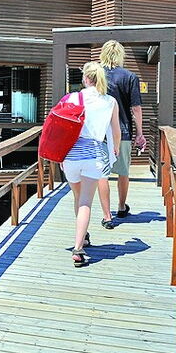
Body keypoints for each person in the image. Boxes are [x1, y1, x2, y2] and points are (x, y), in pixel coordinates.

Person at [61, 62, 121, 267]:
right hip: (93, 155)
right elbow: (115, 130)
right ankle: (78, 248)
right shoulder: (110, 101)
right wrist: (116, 149)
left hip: (70, 155)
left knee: (77, 197)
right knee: (86, 201)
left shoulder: (72, 97)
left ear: (86, 79)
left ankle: (83, 236)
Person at [98, 40, 145, 224]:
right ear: (121, 55)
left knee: (103, 173)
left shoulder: (97, 75)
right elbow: (136, 108)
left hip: (99, 132)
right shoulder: (129, 76)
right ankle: (121, 207)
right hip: (123, 131)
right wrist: (140, 133)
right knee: (123, 172)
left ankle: (107, 216)